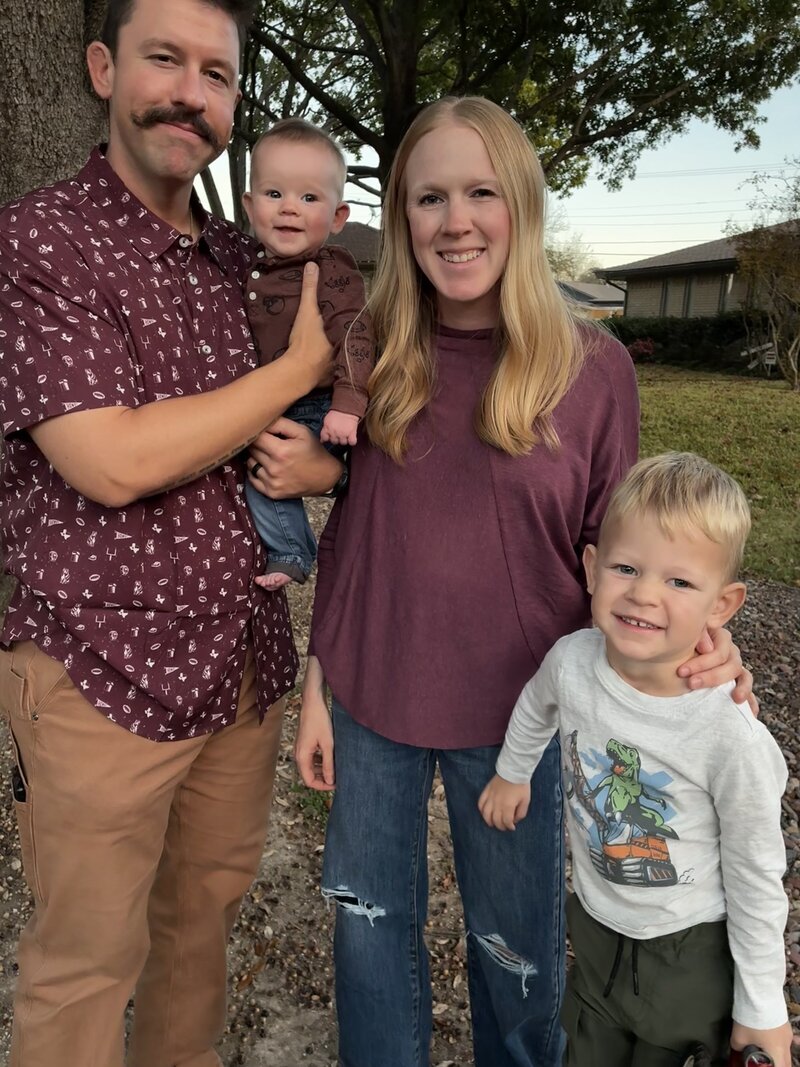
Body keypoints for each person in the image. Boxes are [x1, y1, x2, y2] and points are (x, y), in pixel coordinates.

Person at [293, 96, 753, 1067]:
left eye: (478, 192)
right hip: (373, 694)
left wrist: (696, 642)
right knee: (367, 936)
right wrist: (315, 686)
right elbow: (358, 532)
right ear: (404, 215)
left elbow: (619, 556)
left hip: (526, 714)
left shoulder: (593, 371)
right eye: (427, 197)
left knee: (518, 957)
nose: (453, 220)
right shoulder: (372, 356)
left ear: (521, 207)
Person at [0, 1, 343, 1064]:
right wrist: (289, 372)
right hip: (102, 672)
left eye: (218, 74)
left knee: (199, 931)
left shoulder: (253, 260)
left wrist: (325, 460)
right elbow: (112, 461)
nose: (191, 93)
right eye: (165, 60)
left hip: (239, 673)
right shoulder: (42, 239)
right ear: (104, 69)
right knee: (83, 963)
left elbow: (343, 417)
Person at [479, 452, 791, 1067]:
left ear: (722, 605)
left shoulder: (728, 733)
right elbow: (537, 702)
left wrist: (763, 1010)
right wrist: (514, 771)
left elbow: (758, 875)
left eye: (679, 581)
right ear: (592, 569)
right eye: (626, 567)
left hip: (689, 946)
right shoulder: (572, 660)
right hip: (595, 921)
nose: (644, 594)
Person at [242, 118, 375, 589]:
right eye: (274, 194)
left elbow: (357, 337)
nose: (290, 210)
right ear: (250, 205)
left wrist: (348, 404)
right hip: (278, 399)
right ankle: (291, 550)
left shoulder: (332, 270)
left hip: (324, 403)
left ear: (338, 217)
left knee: (269, 467)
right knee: (262, 471)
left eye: (309, 198)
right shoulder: (249, 266)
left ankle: (292, 551)